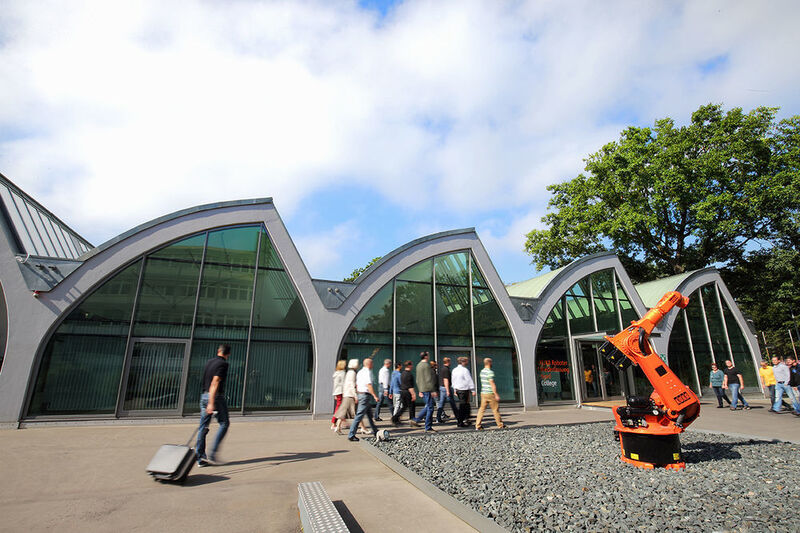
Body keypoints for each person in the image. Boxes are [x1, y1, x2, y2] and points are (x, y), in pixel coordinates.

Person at [197, 344, 231, 466]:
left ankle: (200, 458)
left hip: (204, 395)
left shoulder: (209, 362)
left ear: (218, 351)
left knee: (203, 427)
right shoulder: (223, 364)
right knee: (224, 423)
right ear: (228, 354)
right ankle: (212, 454)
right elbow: (215, 382)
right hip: (215, 397)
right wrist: (211, 403)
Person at [347, 358, 380, 442]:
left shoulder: (360, 372)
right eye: (372, 363)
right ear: (369, 364)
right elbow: (368, 385)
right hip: (365, 395)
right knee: (359, 416)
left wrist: (358, 395)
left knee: (369, 415)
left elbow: (357, 385)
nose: (373, 365)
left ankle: (375, 431)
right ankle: (351, 434)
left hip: (362, 394)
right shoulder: (367, 372)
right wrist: (375, 395)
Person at [475, 357, 505, 430]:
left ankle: (478, 425)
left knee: (482, 409)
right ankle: (500, 425)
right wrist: (496, 394)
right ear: (489, 363)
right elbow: (492, 383)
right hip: (490, 393)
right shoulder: (490, 372)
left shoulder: (482, 372)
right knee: (495, 409)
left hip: (483, 393)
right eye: (491, 362)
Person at [412, 352, 438, 431]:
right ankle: (428, 427)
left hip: (422, 389)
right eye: (428, 355)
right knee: (430, 408)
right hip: (428, 389)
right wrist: (433, 390)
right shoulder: (426, 365)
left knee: (428, 406)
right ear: (426, 356)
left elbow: (417, 379)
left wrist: (420, 390)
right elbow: (428, 379)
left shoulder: (418, 365)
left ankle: (417, 419)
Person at [333, 359, 359, 434]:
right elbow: (351, 385)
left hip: (346, 394)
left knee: (343, 412)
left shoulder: (347, 372)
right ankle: (359, 429)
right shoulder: (351, 373)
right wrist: (355, 395)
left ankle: (337, 427)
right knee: (355, 413)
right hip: (350, 395)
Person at [452, 357, 477, 427]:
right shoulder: (465, 370)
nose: (467, 363)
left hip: (458, 389)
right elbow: (469, 380)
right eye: (466, 361)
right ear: (463, 362)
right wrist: (473, 390)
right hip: (464, 389)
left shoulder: (454, 370)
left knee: (464, 405)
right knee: (463, 406)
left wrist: (454, 389)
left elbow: (453, 380)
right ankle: (461, 421)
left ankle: (465, 419)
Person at [391, 360, 416, 426]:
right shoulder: (409, 374)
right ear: (409, 365)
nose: (412, 366)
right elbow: (410, 386)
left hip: (402, 391)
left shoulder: (402, 374)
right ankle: (412, 420)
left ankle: (395, 417)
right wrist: (413, 394)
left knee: (404, 407)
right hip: (408, 392)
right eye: (411, 365)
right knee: (411, 407)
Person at [436, 357, 459, 423]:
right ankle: (458, 417)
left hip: (442, 388)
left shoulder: (442, 369)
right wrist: (448, 390)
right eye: (450, 361)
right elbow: (446, 380)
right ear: (448, 362)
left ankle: (438, 418)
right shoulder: (446, 370)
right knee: (452, 404)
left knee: (441, 404)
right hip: (445, 388)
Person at [331, 359, 346, 430]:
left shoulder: (336, 373)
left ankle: (340, 422)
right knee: (340, 408)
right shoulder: (342, 373)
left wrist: (334, 394)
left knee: (340, 407)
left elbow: (335, 385)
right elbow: (343, 384)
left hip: (337, 392)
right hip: (342, 392)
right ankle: (334, 422)